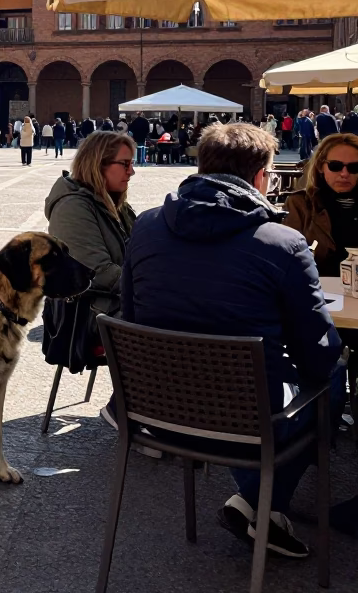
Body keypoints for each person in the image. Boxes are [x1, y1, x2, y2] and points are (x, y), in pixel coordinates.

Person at [122, 122, 344, 559]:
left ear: (201, 167)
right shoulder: (284, 243)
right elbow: (318, 355)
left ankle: (255, 500)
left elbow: (130, 316)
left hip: (159, 415)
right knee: (333, 378)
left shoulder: (145, 226)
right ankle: (262, 502)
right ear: (261, 176)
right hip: (247, 425)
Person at [44, 131, 137, 405]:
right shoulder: (73, 207)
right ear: (99, 164)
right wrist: (152, 286)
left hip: (114, 301)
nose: (132, 172)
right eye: (125, 164)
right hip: (85, 313)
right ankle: (129, 407)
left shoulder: (114, 202)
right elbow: (98, 272)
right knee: (168, 323)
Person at [284, 132, 358, 276]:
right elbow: (286, 257)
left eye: (354, 167)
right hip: (316, 286)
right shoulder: (300, 204)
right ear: (320, 166)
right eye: (335, 166)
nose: (344, 174)